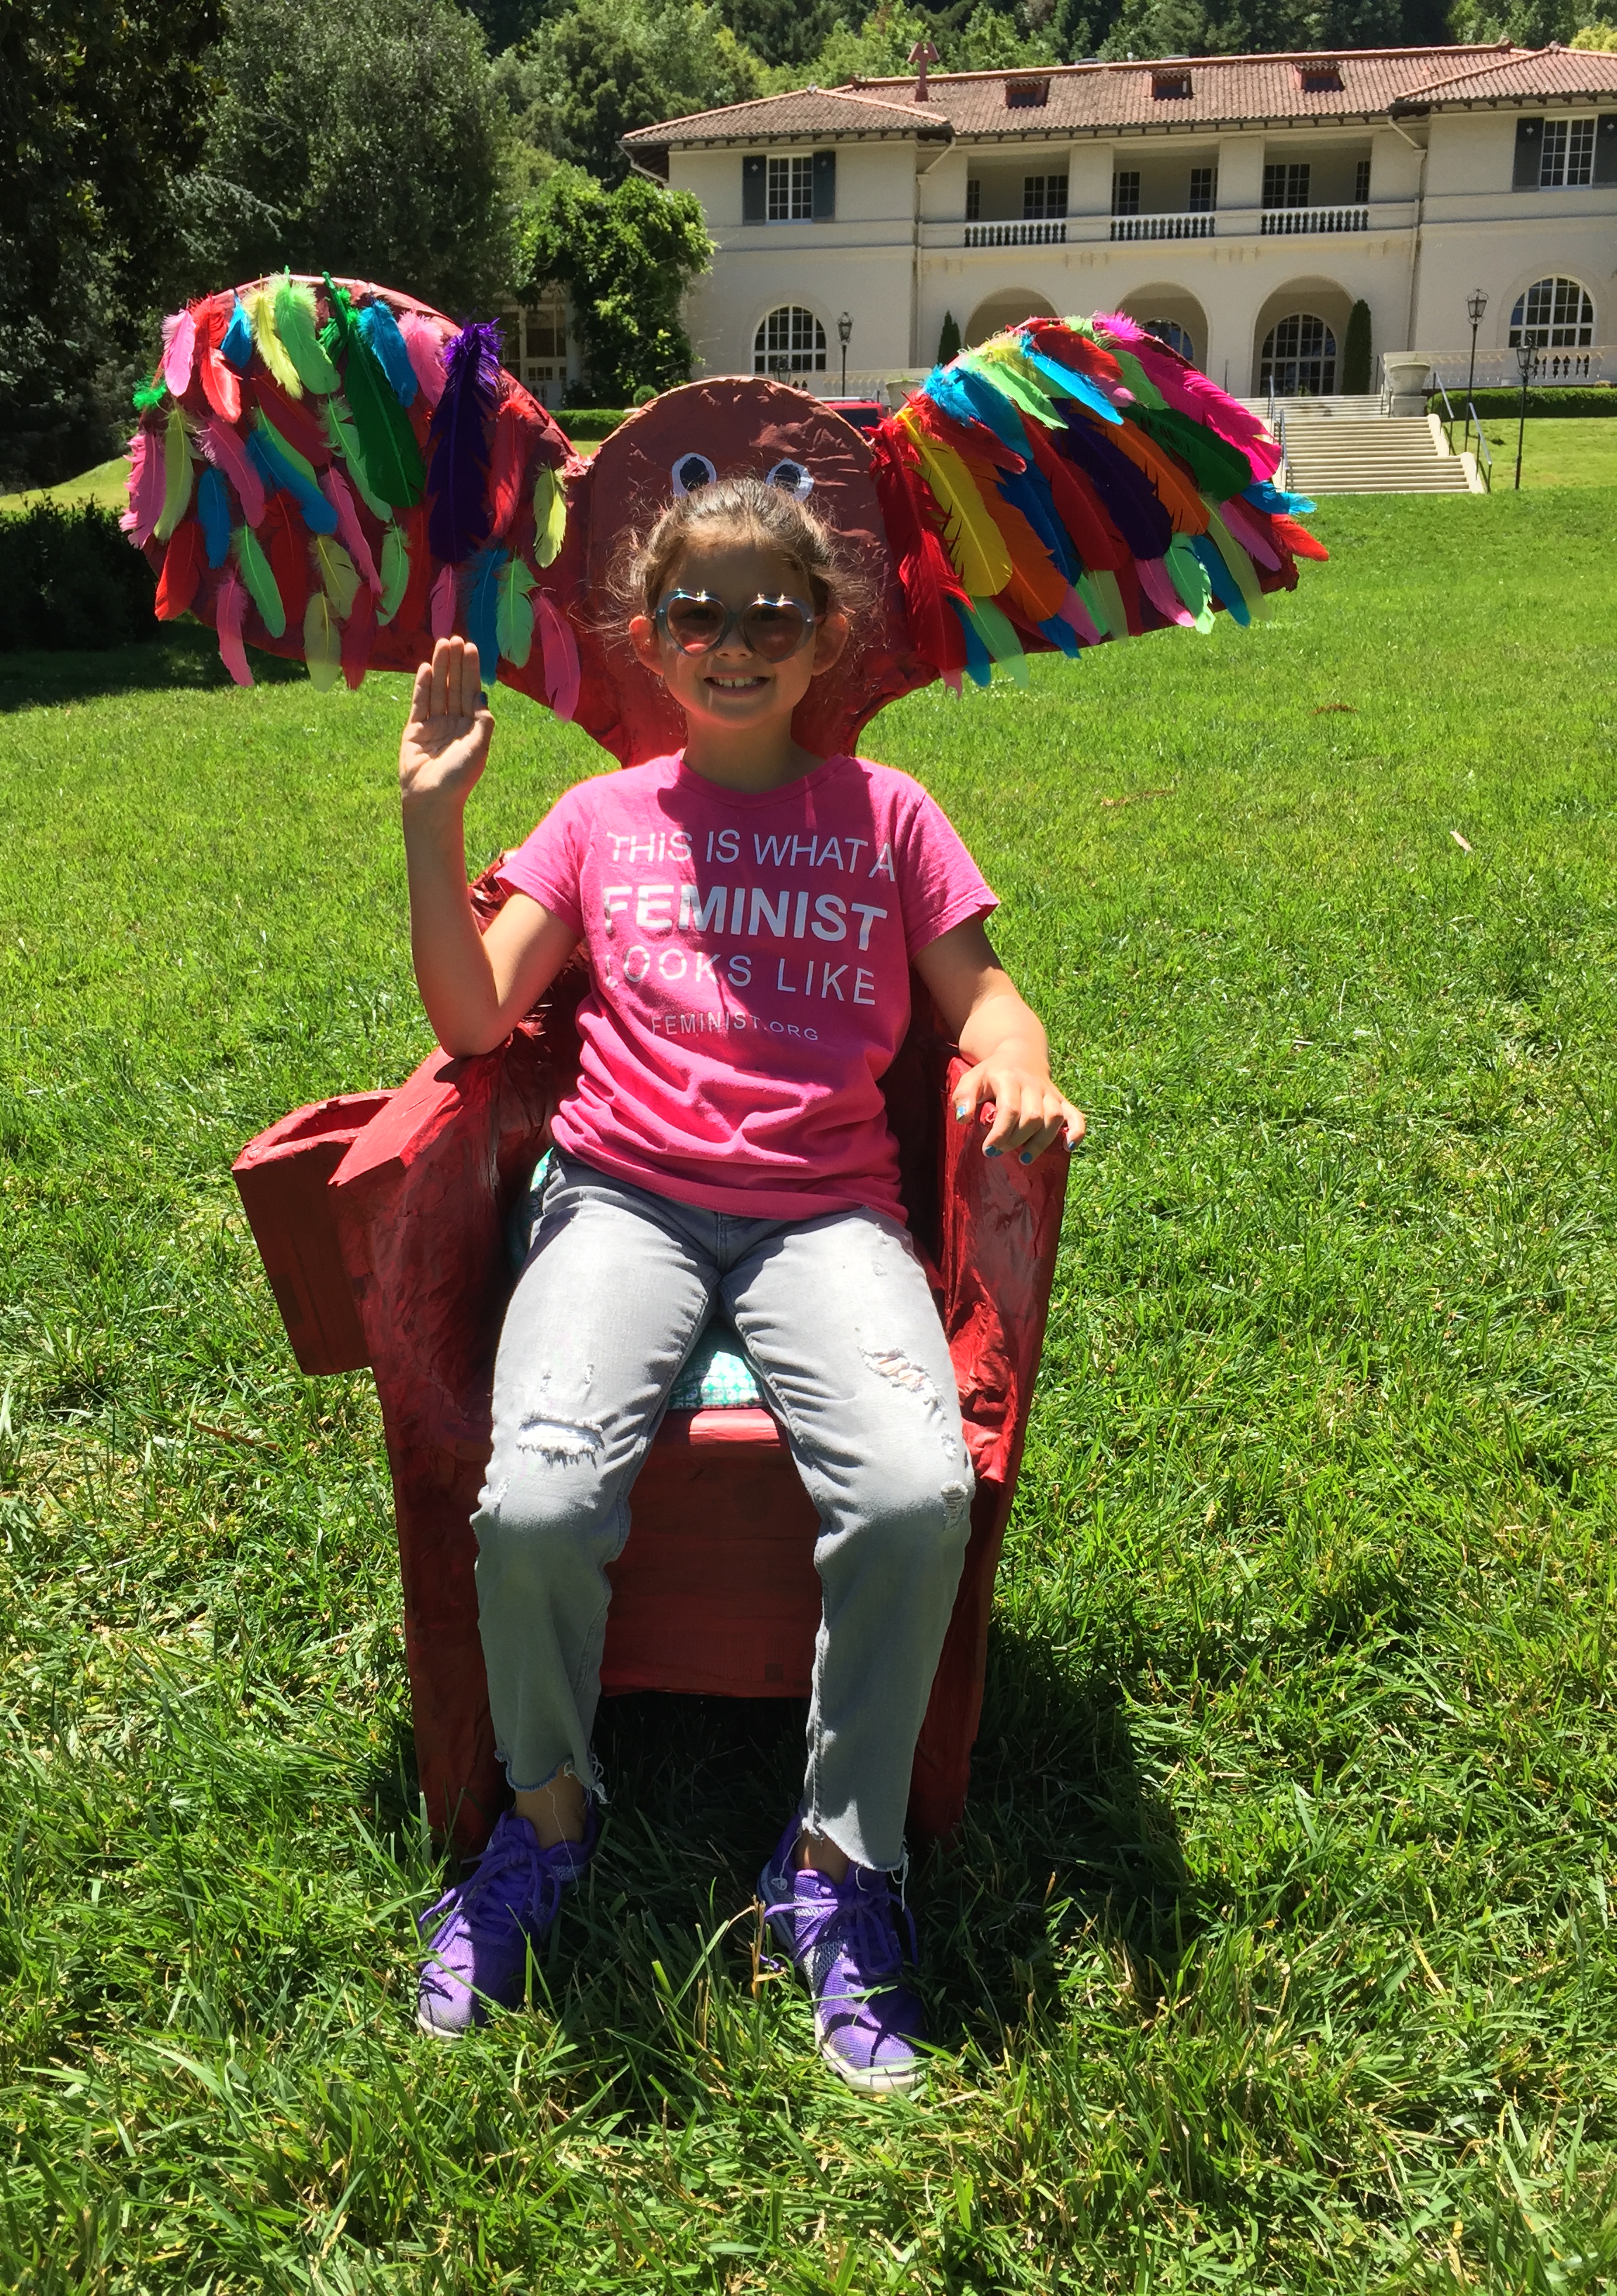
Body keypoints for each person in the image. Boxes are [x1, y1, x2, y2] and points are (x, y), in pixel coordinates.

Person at [400, 476, 1085, 2094]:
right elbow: (475, 1019)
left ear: (823, 632)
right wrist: (432, 822)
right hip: (621, 1200)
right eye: (694, 612)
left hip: (823, 1215)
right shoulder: (600, 821)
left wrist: (1022, 1065)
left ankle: (840, 1865)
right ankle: (547, 1821)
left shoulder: (888, 815)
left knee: (916, 1495)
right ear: (651, 635)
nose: (731, 641)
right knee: (537, 1505)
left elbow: (988, 999)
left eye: (769, 611)